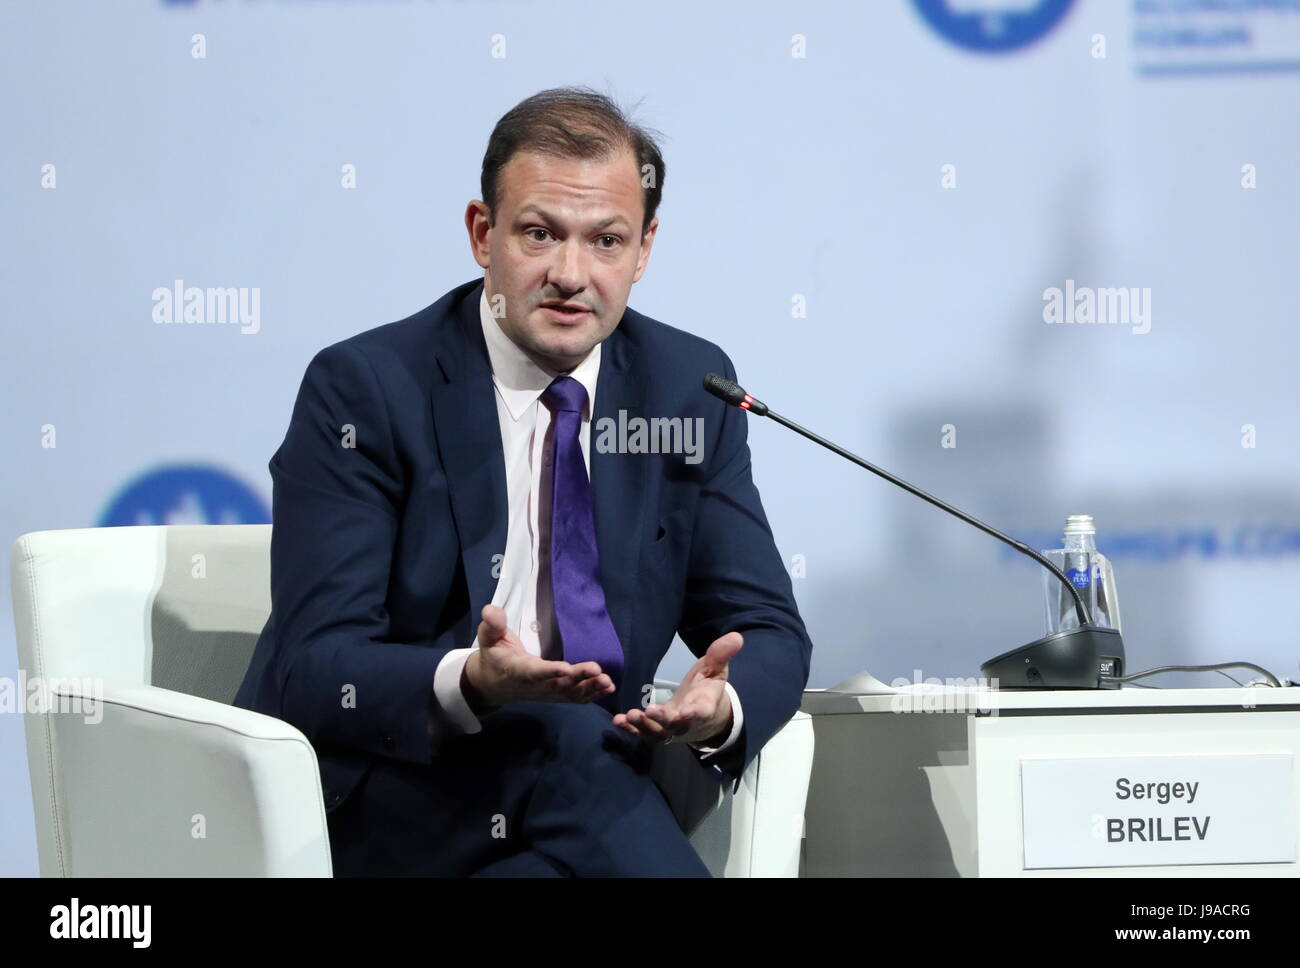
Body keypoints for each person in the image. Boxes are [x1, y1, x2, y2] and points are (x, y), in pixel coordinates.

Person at [233, 86, 812, 876]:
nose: (571, 274)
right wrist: (474, 681)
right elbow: (315, 666)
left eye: (607, 241)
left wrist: (721, 708)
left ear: (644, 249)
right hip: (390, 788)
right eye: (540, 234)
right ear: (484, 233)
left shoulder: (686, 387)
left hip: (577, 802)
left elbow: (767, 626)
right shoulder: (367, 388)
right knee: (564, 735)